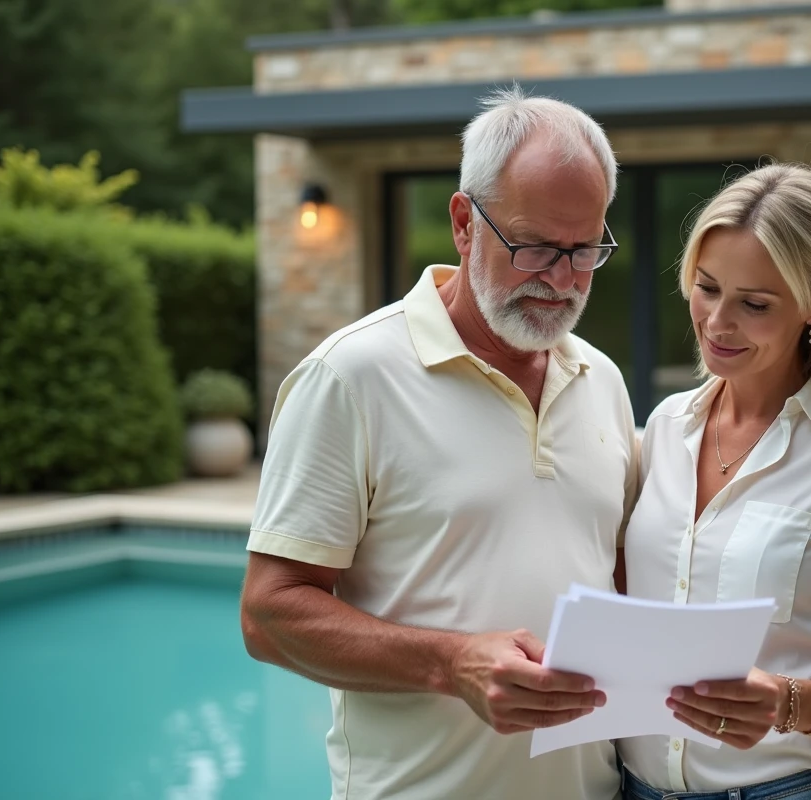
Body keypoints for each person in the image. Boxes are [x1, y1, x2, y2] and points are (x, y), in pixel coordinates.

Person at [239, 87, 638, 799]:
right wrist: (449, 663)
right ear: (463, 222)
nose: (563, 279)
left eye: (585, 251)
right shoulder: (351, 376)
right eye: (537, 246)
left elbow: (612, 580)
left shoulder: (601, 378)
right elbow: (269, 615)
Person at [617, 163, 811, 800]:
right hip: (635, 788)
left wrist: (789, 703)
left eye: (754, 304)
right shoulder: (666, 429)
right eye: (706, 288)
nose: (716, 322)